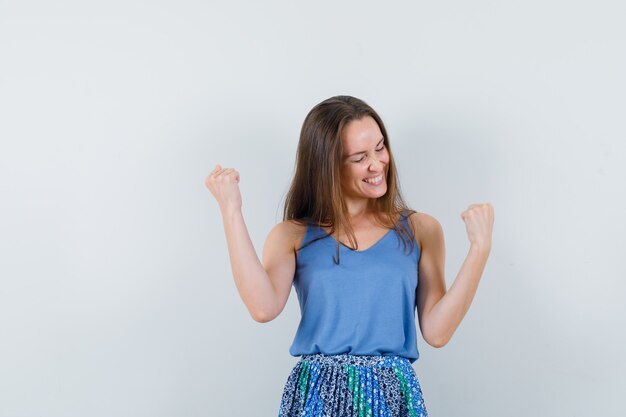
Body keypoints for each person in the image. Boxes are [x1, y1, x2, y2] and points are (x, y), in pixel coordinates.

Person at [204, 95, 494, 417]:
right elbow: (263, 307)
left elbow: (437, 332)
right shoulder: (294, 235)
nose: (377, 164)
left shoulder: (420, 229)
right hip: (317, 394)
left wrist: (479, 250)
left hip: (392, 394)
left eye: (380, 148)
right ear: (327, 166)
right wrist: (231, 210)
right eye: (359, 157)